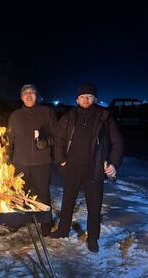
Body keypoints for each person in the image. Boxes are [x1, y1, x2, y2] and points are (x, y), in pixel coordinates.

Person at [50, 82, 124, 253]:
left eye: (89, 96)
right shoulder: (69, 116)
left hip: (95, 168)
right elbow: (58, 139)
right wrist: (61, 160)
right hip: (72, 167)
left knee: (94, 205)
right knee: (67, 201)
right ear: (77, 99)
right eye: (82, 96)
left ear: (95, 99)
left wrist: (113, 163)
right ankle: (63, 230)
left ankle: (93, 238)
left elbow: (117, 141)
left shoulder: (104, 116)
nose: (86, 99)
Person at [7, 84, 57, 236]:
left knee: (43, 194)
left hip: (42, 163)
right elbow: (9, 139)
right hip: (20, 162)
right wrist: (7, 158)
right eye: (26, 93)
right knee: (19, 193)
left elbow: (57, 135)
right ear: (21, 97)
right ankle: (16, 220)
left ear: (37, 96)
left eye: (32, 93)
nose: (29, 95)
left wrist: (46, 142)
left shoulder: (47, 112)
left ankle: (45, 224)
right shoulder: (15, 115)